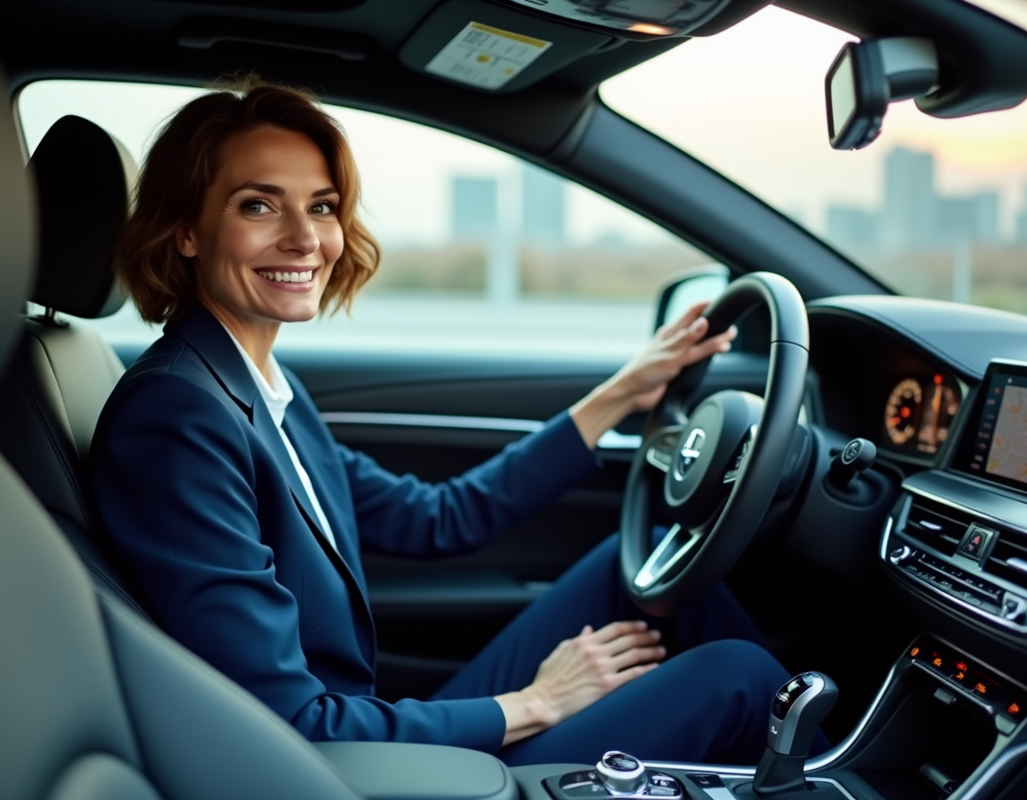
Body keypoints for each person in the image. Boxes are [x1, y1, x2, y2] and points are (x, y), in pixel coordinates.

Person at [92, 78, 798, 767]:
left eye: (323, 206)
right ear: (186, 232)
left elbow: (434, 518)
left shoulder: (258, 384)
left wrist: (622, 393)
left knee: (641, 574)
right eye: (259, 206)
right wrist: (537, 702)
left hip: (361, 734)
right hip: (341, 770)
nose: (305, 238)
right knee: (737, 678)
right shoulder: (178, 418)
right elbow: (290, 722)